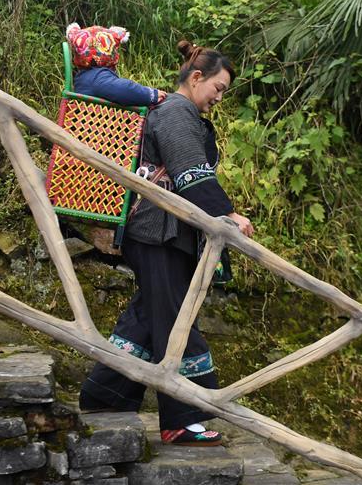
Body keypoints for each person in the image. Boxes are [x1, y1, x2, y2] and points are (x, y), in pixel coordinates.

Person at [79, 40, 254, 447]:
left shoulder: (179, 112)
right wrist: (228, 214)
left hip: (163, 232)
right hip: (158, 231)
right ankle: (183, 417)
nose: (219, 98)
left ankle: (104, 396)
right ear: (197, 78)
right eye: (218, 88)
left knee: (149, 317)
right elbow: (190, 172)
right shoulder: (176, 111)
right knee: (177, 321)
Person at [65, 22, 168, 106]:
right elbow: (125, 89)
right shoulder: (97, 77)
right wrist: (150, 94)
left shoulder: (85, 76)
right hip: (98, 124)